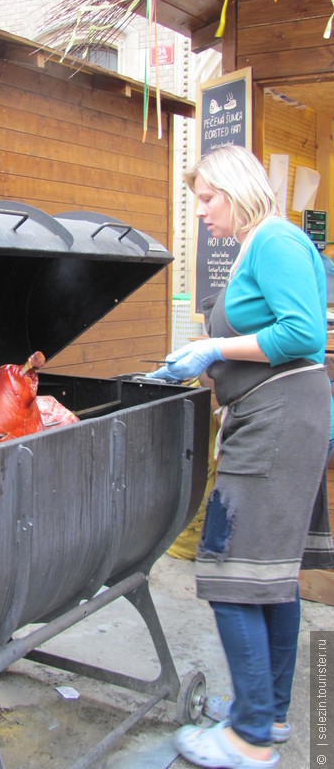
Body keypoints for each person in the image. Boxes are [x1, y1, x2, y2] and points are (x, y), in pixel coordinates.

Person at [149, 145, 334, 769]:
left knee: (230, 572)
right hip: (282, 415)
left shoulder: (275, 240)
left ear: (235, 189)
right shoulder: (265, 244)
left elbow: (304, 333)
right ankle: (271, 714)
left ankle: (247, 739)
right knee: (269, 576)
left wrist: (212, 346)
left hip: (280, 421)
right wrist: (207, 361)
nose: (200, 212)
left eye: (207, 198)